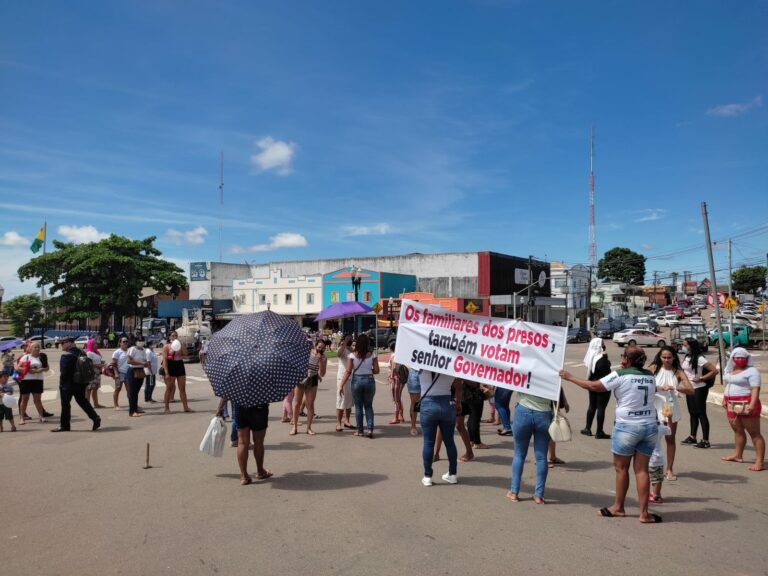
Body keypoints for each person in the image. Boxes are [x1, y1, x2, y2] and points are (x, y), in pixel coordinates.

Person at [561, 346, 663, 523]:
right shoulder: (649, 376)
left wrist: (570, 377)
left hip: (627, 426)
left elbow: (594, 386)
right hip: (649, 425)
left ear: (627, 359)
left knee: (621, 469)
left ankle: (618, 507)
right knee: (642, 470)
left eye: (623, 356)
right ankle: (644, 513)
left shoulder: (620, 375)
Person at [507, 386, 560, 504]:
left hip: (523, 410)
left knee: (519, 455)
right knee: (541, 457)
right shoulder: (553, 374)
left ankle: (514, 492)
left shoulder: (525, 372)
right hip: (544, 413)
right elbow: (557, 393)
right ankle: (538, 495)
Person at [649, 346, 694, 480]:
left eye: (669, 357)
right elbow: (644, 386)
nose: (666, 360)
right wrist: (658, 388)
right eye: (664, 357)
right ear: (660, 357)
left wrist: (675, 388)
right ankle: (651, 466)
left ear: (674, 357)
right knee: (651, 438)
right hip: (654, 406)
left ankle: (669, 469)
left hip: (670, 407)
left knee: (670, 438)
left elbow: (691, 390)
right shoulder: (653, 368)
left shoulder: (678, 372)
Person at [721, 347, 764, 472]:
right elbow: (729, 384)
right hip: (731, 404)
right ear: (733, 358)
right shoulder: (730, 369)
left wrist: (752, 404)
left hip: (746, 403)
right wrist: (724, 398)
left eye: (742, 357)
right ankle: (738, 455)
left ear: (747, 358)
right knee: (737, 430)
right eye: (737, 357)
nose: (740, 359)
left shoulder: (752, 371)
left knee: (754, 433)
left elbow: (755, 388)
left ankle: (759, 462)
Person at [418, 370, 463, 486]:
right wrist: (458, 402)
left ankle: (427, 476)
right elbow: (458, 384)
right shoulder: (451, 364)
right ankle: (452, 474)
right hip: (447, 403)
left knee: (428, 442)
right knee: (450, 442)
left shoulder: (421, 363)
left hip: (428, 403)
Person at [51, 336, 101, 432]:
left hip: (68, 384)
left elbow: (64, 372)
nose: (61, 345)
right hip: (81, 382)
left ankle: (64, 425)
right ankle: (95, 417)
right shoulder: (82, 352)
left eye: (63, 343)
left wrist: (62, 384)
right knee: (83, 402)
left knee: (65, 405)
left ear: (69, 343)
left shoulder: (66, 355)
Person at [680, 338, 717, 449]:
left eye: (685, 345)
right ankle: (693, 437)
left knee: (701, 413)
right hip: (689, 388)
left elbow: (714, 371)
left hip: (699, 388)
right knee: (692, 412)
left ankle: (705, 441)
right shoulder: (687, 357)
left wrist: (701, 378)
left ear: (691, 346)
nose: (683, 347)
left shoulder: (700, 358)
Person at [339, 334, 379, 438]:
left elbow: (348, 371)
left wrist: (341, 385)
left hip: (356, 380)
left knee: (358, 407)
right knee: (368, 406)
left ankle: (360, 431)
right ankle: (370, 430)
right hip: (369, 380)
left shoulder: (352, 355)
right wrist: (368, 370)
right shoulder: (372, 354)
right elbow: (377, 370)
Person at [291, 340, 327, 436]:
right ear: (315, 346)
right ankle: (294, 427)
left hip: (313, 379)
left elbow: (323, 373)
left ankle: (309, 428)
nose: (321, 349)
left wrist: (320, 361)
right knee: (297, 403)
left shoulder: (324, 357)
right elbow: (299, 363)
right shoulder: (307, 352)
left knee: (310, 404)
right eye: (319, 347)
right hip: (302, 377)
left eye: (323, 348)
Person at [581, 338, 612, 439]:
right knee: (601, 408)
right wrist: (606, 358)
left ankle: (587, 428)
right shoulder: (601, 358)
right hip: (602, 385)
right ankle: (599, 432)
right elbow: (605, 370)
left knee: (592, 406)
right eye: (603, 344)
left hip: (592, 383)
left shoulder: (592, 357)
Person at [234, 403, 273, 485]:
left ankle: (244, 476)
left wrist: (220, 408)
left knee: (242, 442)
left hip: (240, 406)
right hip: (259, 405)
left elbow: (227, 395)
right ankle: (260, 471)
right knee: (258, 441)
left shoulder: (238, 394)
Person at [15, 342, 50, 424]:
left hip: (38, 380)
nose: (37, 348)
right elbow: (17, 368)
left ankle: (41, 416)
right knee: (25, 399)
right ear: (31, 349)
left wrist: (41, 369)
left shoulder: (42, 357)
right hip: (26, 380)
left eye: (38, 347)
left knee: (38, 399)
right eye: (35, 347)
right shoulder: (26, 356)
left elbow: (47, 368)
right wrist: (30, 371)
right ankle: (22, 418)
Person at [163, 331, 193, 414]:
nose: (175, 337)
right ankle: (166, 408)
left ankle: (186, 407)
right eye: (173, 336)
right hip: (171, 365)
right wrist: (166, 373)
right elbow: (165, 361)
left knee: (182, 389)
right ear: (169, 337)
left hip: (179, 365)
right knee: (169, 388)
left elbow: (186, 354)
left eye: (176, 335)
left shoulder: (179, 345)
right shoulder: (166, 346)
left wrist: (181, 345)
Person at [649, 408, 672, 504]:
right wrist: (669, 418)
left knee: (649, 477)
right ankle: (656, 494)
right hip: (658, 457)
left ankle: (654, 495)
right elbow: (669, 431)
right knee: (657, 478)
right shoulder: (661, 428)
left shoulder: (646, 427)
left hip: (647, 457)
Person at [334, 334, 354, 431]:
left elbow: (355, 354)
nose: (350, 339)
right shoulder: (341, 348)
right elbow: (338, 354)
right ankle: (338, 423)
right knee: (340, 400)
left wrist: (349, 345)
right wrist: (344, 343)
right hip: (341, 377)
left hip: (351, 377)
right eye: (348, 338)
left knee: (349, 401)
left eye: (350, 338)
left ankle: (347, 420)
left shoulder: (351, 349)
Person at [125, 340, 149, 417]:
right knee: (132, 392)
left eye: (142, 340)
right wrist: (141, 363)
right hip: (133, 370)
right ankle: (132, 411)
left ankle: (135, 408)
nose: (141, 342)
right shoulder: (133, 349)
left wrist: (146, 364)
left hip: (140, 370)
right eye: (139, 340)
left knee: (136, 392)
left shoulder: (144, 350)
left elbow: (145, 360)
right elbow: (129, 361)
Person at [110, 337, 131, 409]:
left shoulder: (129, 351)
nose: (125, 343)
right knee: (118, 389)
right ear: (120, 343)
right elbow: (113, 363)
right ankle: (116, 405)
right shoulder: (117, 352)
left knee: (129, 390)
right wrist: (116, 373)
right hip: (119, 373)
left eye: (126, 341)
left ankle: (131, 404)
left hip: (128, 373)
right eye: (124, 341)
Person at [388, 342, 405, 425]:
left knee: (396, 399)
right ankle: (400, 416)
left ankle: (396, 417)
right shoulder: (399, 355)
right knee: (398, 398)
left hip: (395, 379)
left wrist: (391, 376)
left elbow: (393, 367)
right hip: (400, 378)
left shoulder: (394, 356)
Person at [85, 338, 105, 408]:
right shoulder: (89, 353)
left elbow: (98, 360)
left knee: (95, 389)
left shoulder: (96, 352)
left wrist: (102, 363)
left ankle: (96, 404)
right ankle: (87, 405)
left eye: (96, 343)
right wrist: (98, 365)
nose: (96, 345)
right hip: (91, 373)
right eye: (94, 344)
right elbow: (88, 363)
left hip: (97, 373)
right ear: (90, 344)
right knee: (89, 389)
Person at [405, 367, 421, 436]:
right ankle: (413, 426)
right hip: (415, 373)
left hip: (428, 373)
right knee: (415, 403)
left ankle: (428, 425)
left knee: (428, 402)